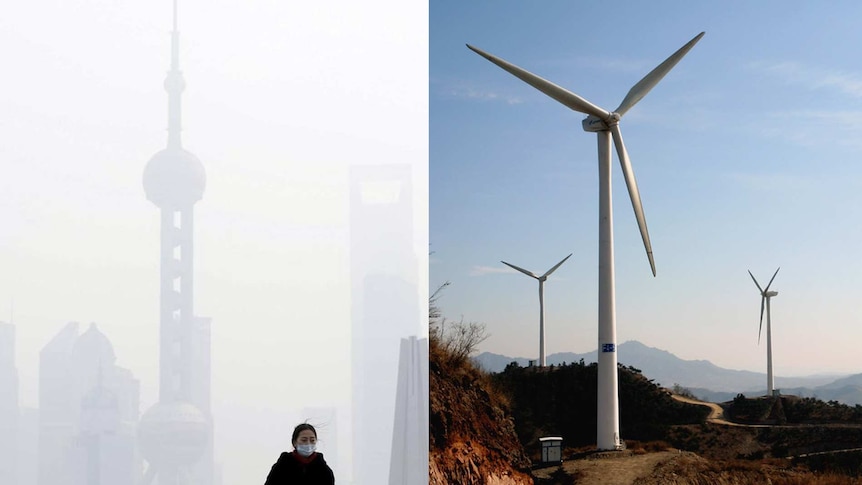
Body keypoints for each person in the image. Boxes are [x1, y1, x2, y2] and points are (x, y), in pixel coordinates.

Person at [264, 423, 335, 485]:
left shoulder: (323, 470)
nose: (308, 443)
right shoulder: (282, 466)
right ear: (294, 442)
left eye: (312, 440)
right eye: (304, 440)